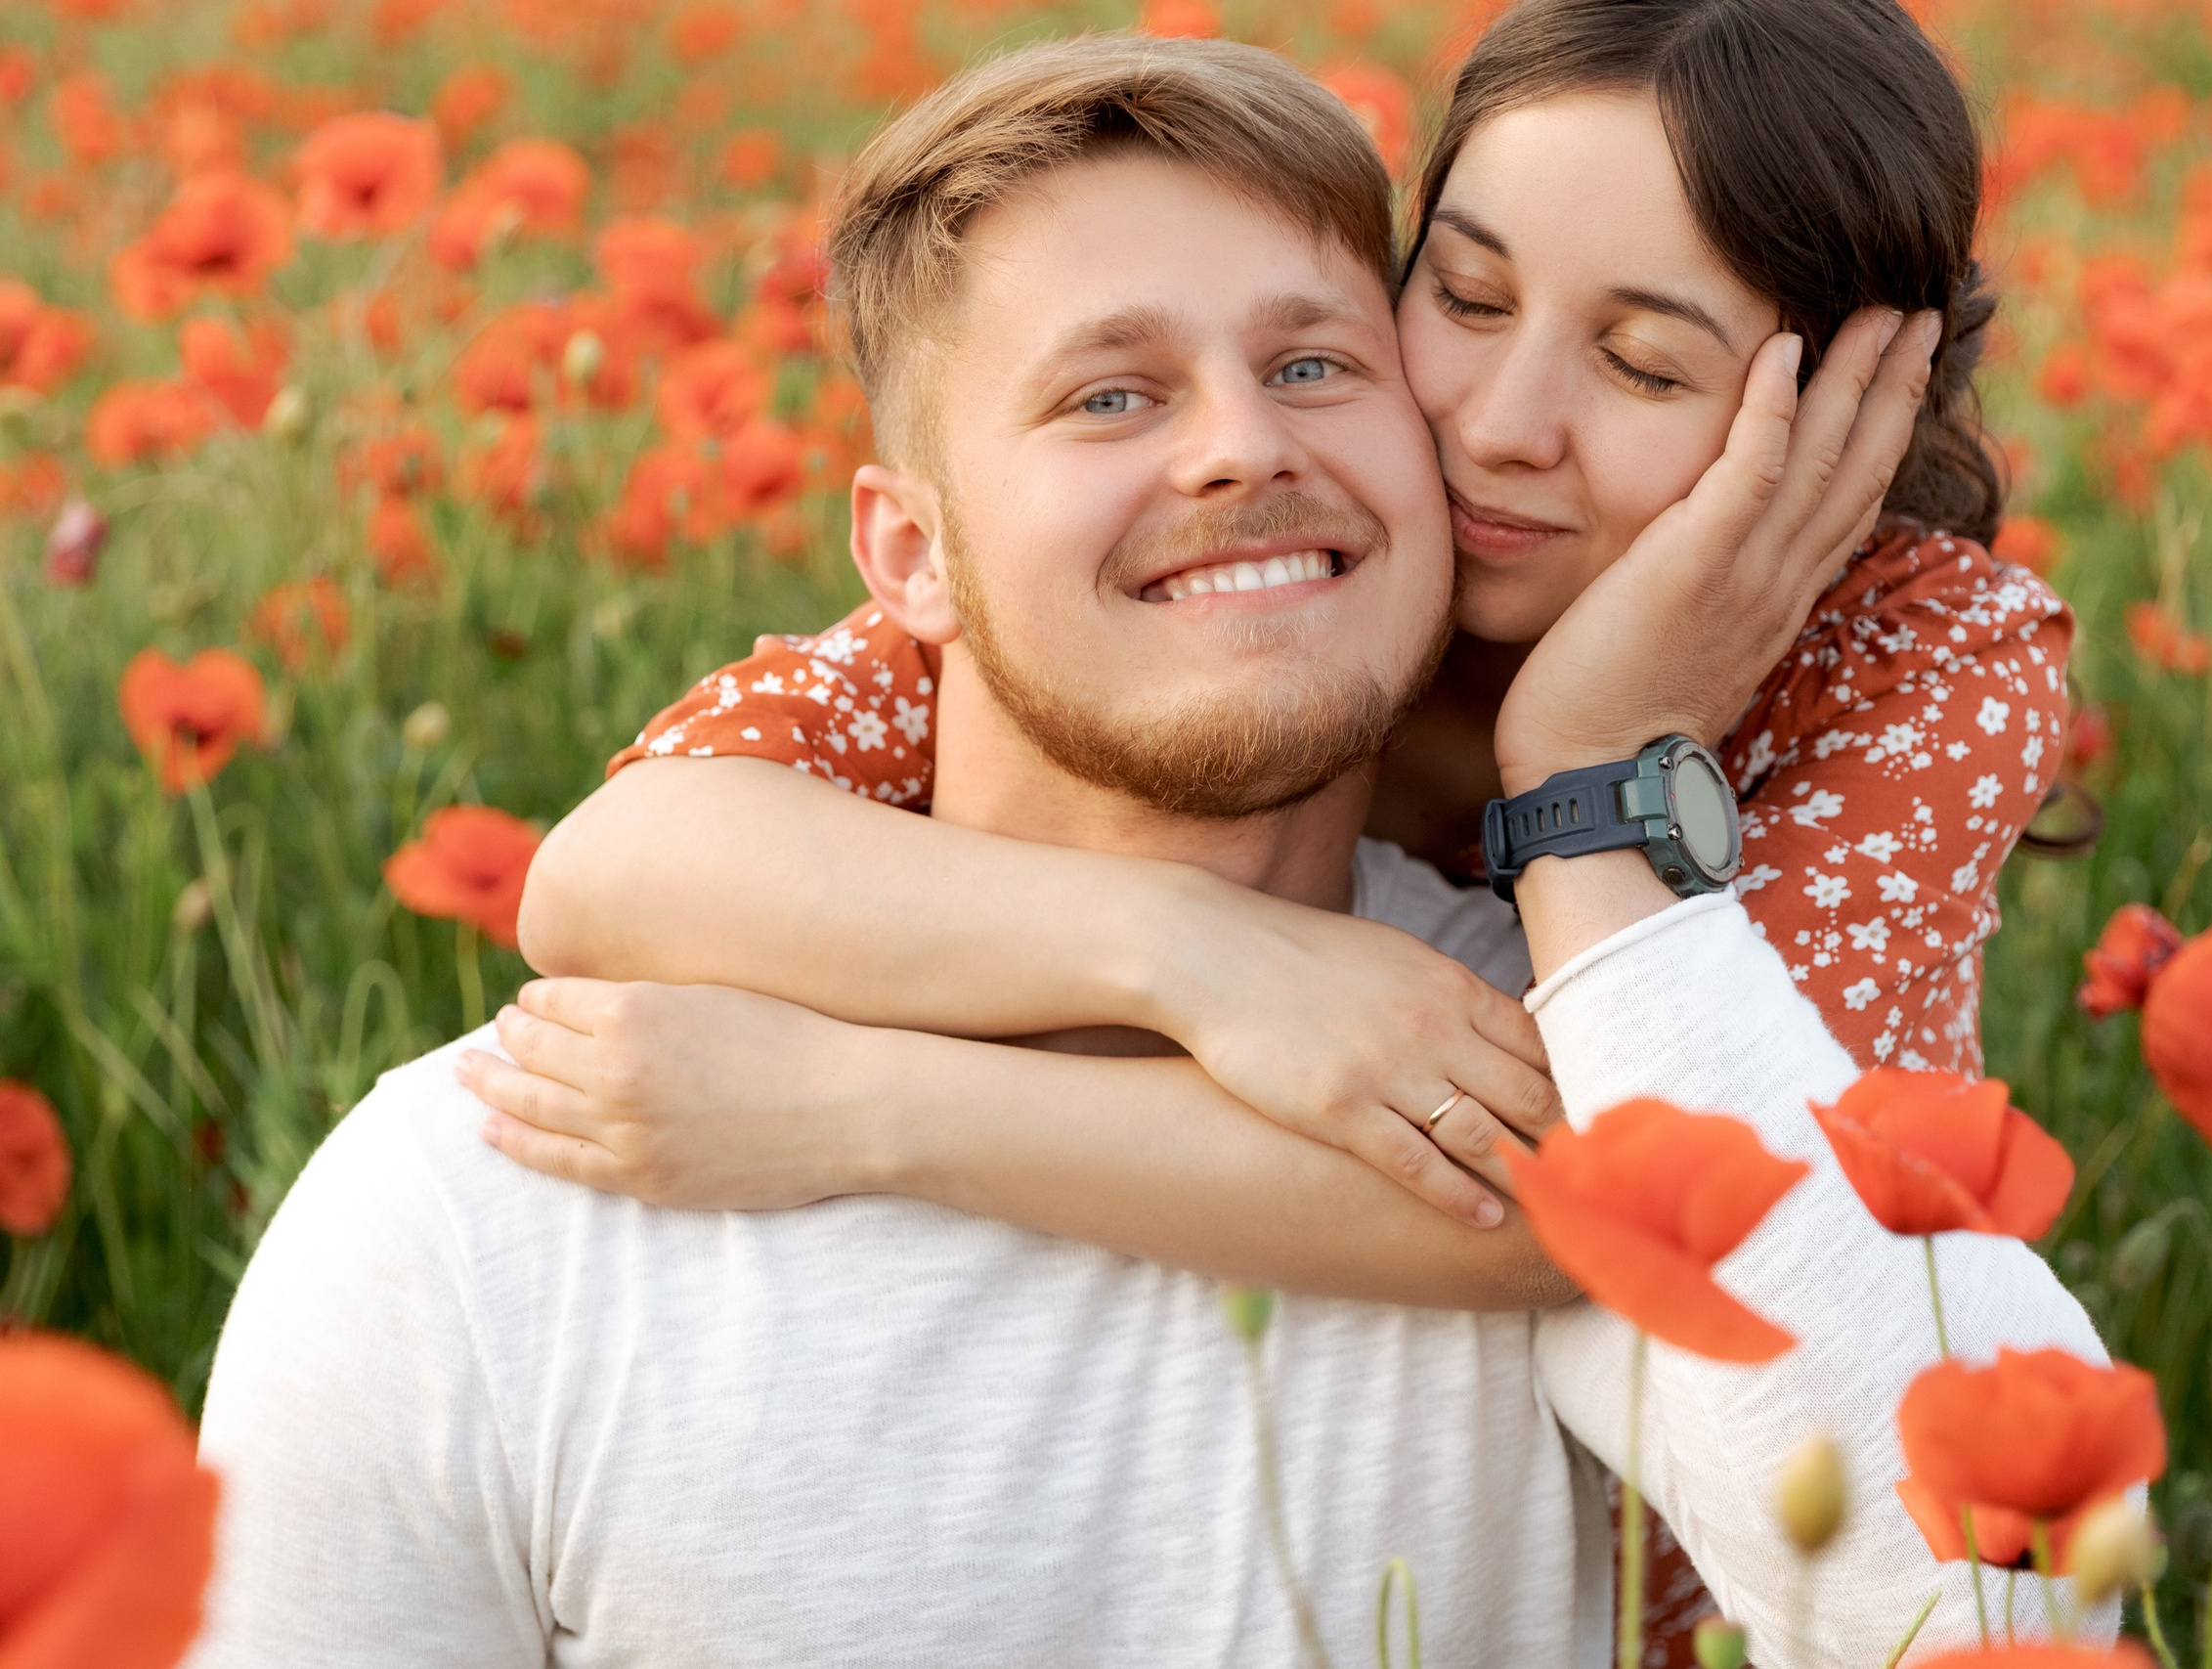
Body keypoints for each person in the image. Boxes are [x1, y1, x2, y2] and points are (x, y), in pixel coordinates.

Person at [191, 31, 2105, 1669]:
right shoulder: (482, 1204)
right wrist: (1204, 957)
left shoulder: (1825, 755)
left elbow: (1686, 1277)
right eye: (1460, 300)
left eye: (1311, 366)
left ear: (1840, 438)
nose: (1500, 428)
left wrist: (1594, 774)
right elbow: (613, 866)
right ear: (911, 552)